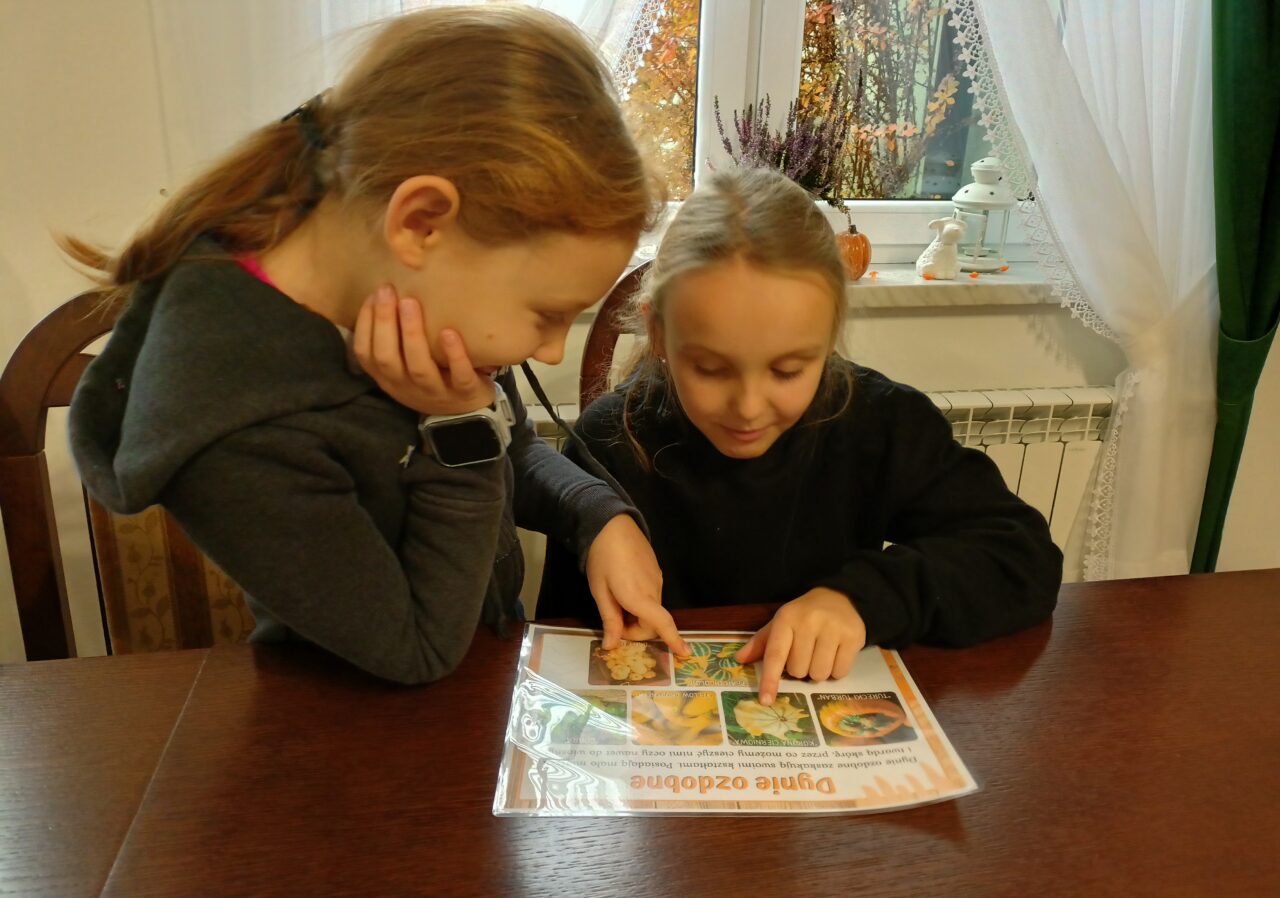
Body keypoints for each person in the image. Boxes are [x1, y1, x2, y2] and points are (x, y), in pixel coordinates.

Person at [65, 6, 689, 684]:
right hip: (358, 720)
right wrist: (455, 425)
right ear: (421, 224)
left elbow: (507, 447)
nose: (550, 352)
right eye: (546, 314)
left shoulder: (426, 305)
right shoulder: (232, 427)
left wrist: (597, 516)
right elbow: (416, 650)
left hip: (473, 688)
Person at [538, 167, 1063, 704]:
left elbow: (1023, 558)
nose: (748, 408)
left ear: (830, 335)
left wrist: (861, 600)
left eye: (787, 371)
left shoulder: (881, 423)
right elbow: (561, 642)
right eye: (711, 370)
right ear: (658, 332)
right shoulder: (607, 442)